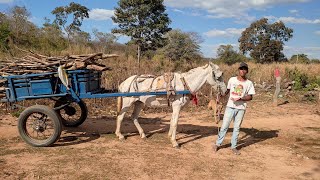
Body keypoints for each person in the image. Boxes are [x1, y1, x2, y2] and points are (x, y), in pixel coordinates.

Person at [213, 62, 255, 155]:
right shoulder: (232, 80)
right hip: (230, 107)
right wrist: (220, 95)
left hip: (241, 108)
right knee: (224, 126)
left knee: (237, 128)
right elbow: (227, 91)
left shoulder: (249, 83)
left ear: (247, 71)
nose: (242, 71)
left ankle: (234, 146)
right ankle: (218, 144)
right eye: (241, 69)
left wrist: (241, 98)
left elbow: (250, 97)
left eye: (244, 69)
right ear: (238, 70)